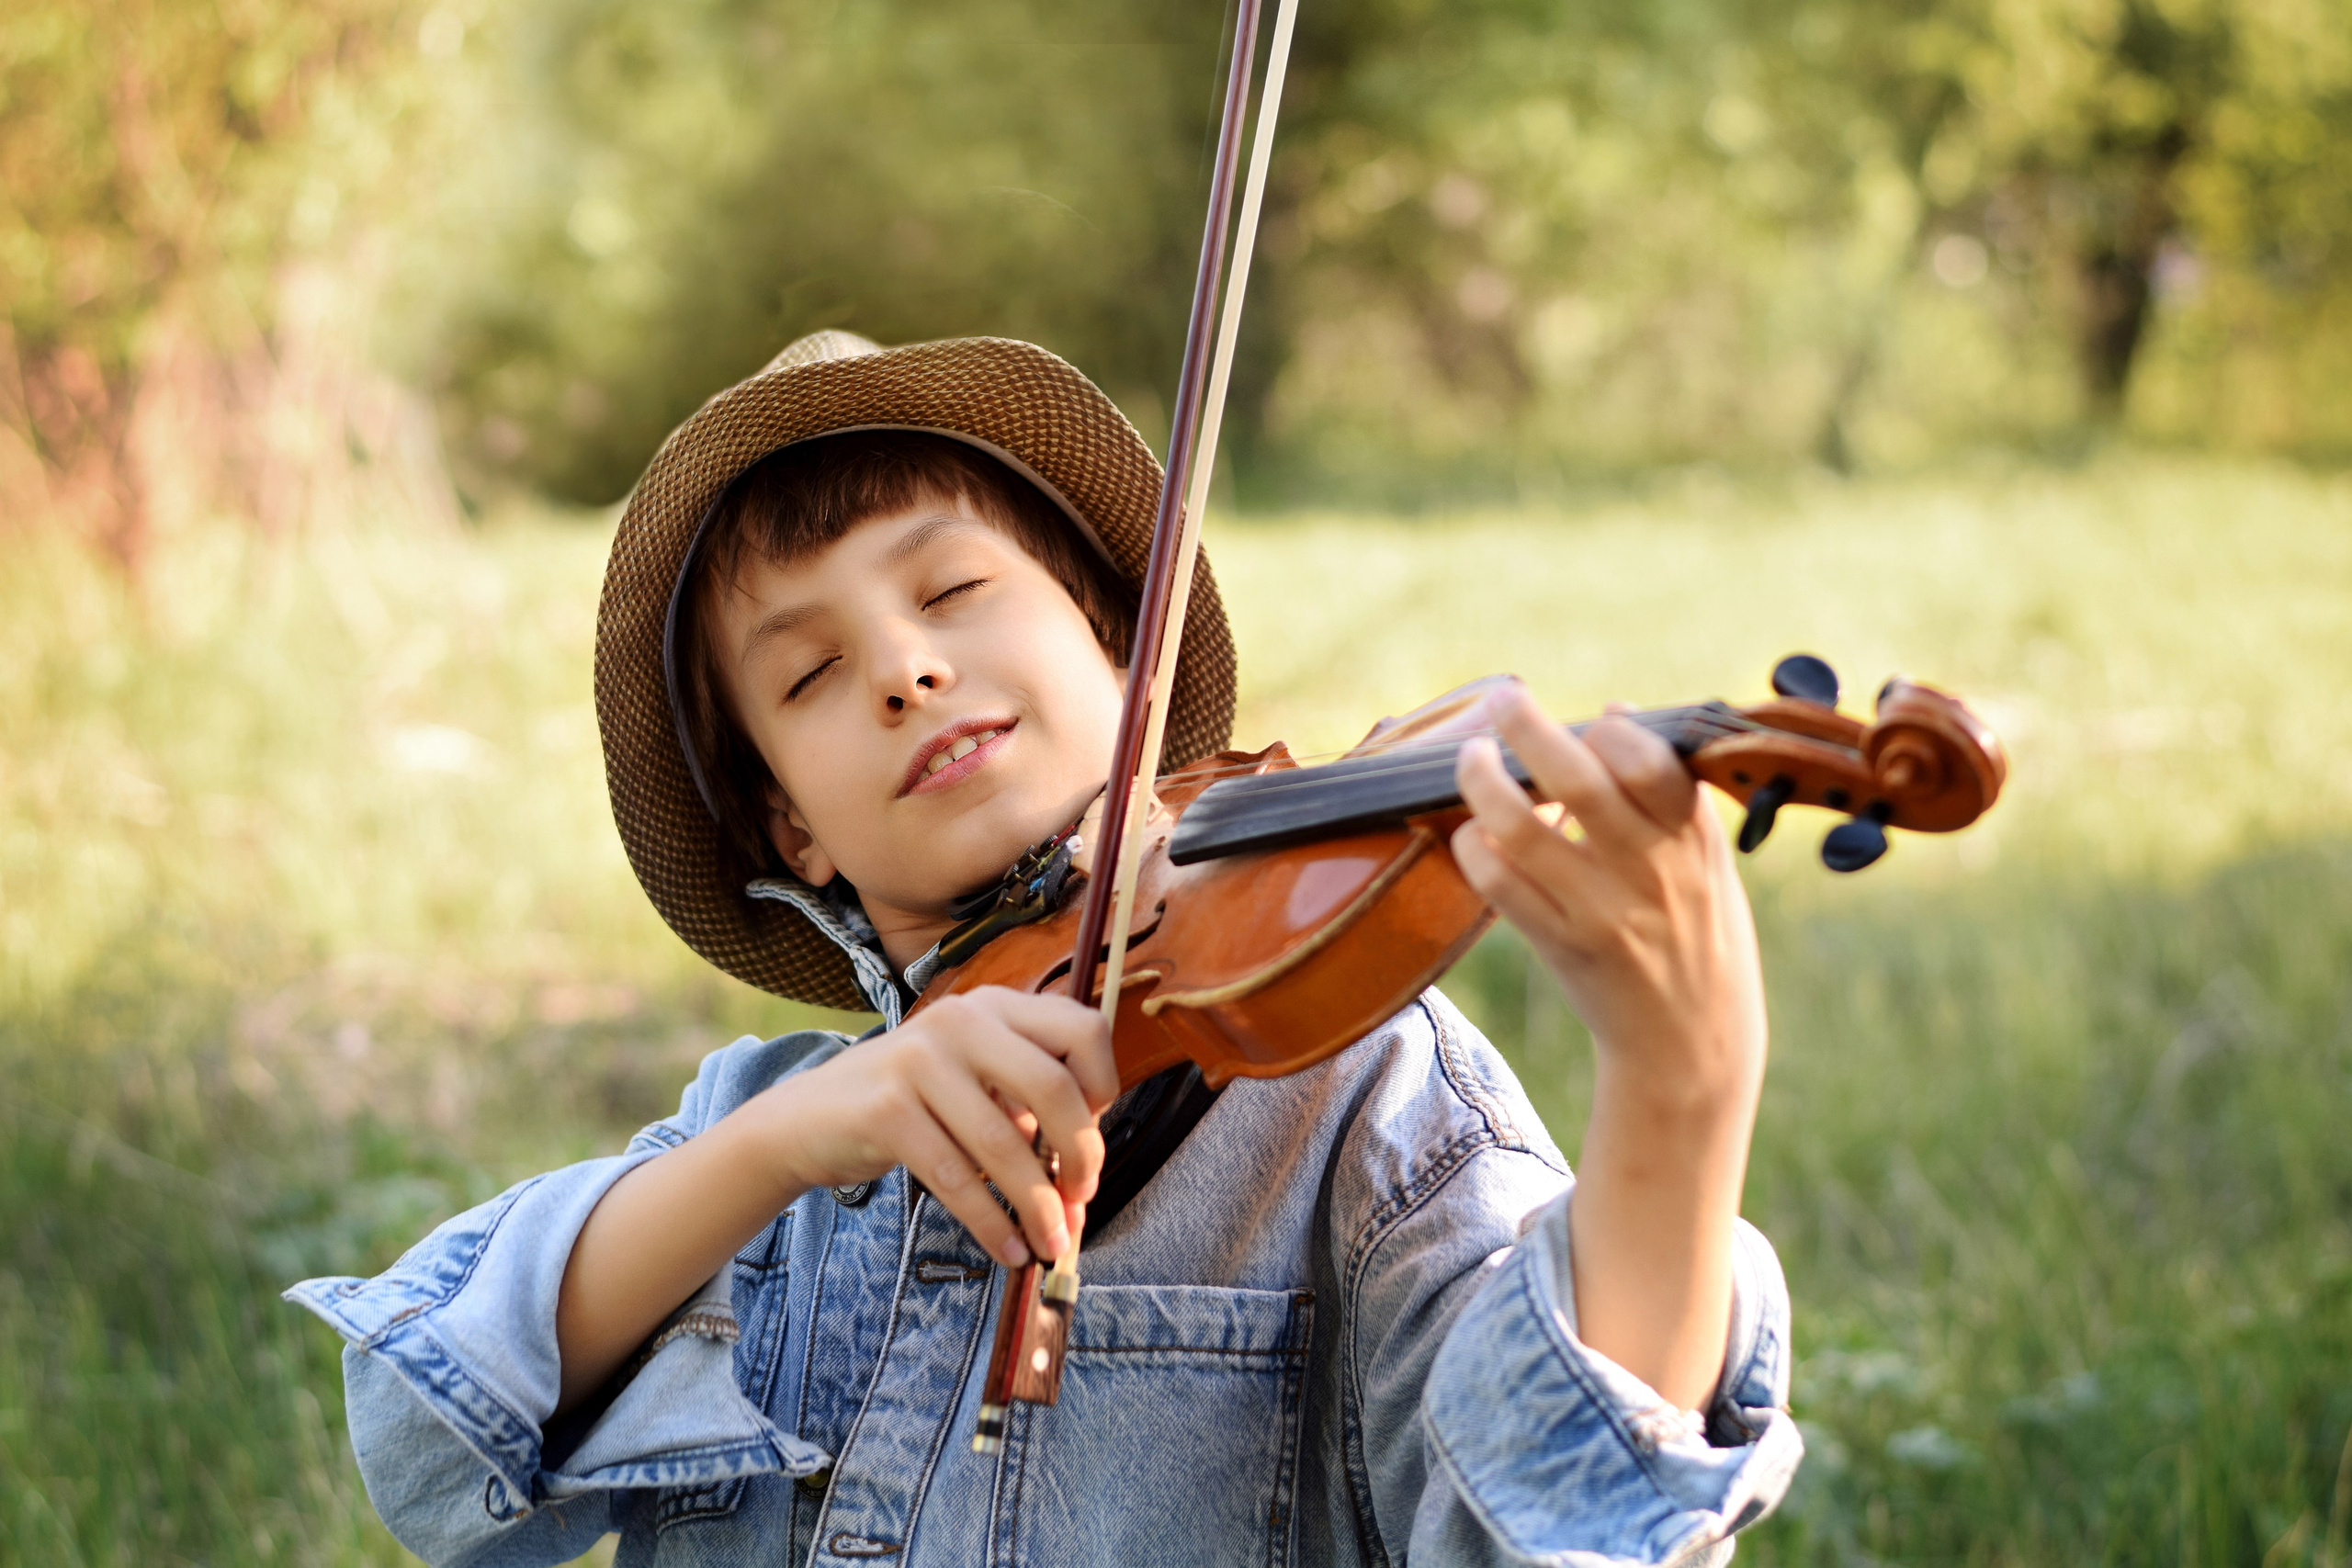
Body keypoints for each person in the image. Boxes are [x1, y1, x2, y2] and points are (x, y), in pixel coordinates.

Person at [288, 331, 1800, 1567]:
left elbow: (1555, 1530)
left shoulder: (1360, 1107)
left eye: (951, 590)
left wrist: (1683, 1086)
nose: (904, 664)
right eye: (811, 672)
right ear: (789, 827)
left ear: (1120, 652)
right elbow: (427, 1442)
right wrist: (783, 1143)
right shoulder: (764, 1153)